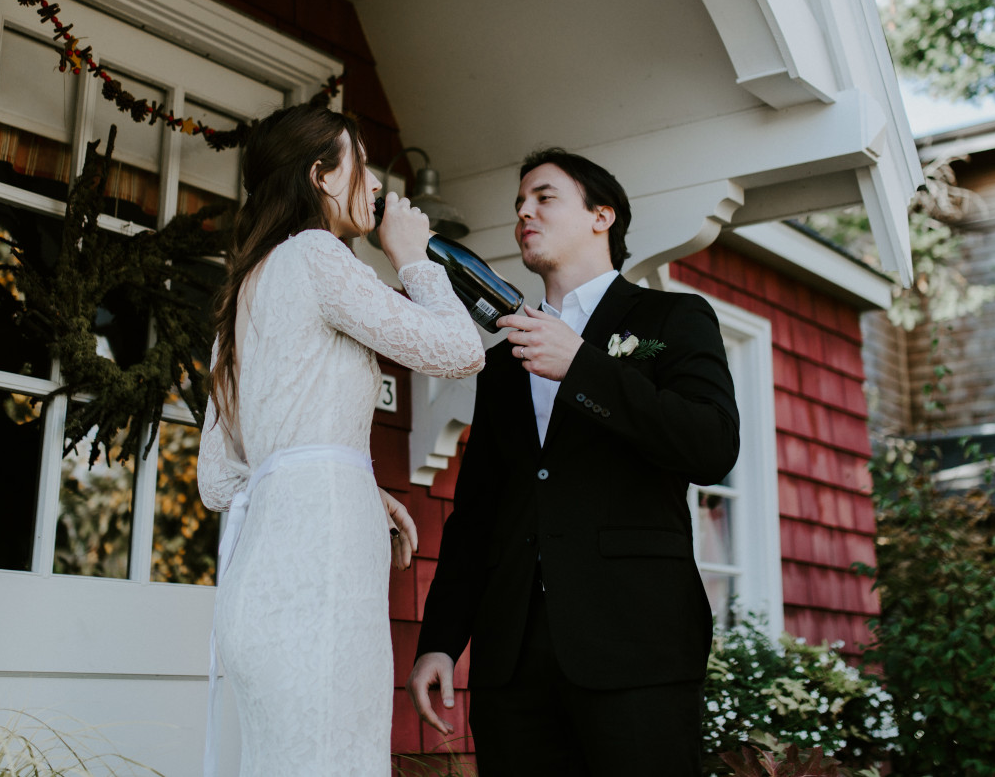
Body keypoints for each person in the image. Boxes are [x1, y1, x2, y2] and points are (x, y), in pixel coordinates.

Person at [407, 148, 739, 775]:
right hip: (513, 663)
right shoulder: (505, 361)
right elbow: (477, 513)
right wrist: (442, 642)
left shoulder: (671, 317)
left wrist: (583, 366)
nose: (524, 212)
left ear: (602, 215)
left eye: (544, 197)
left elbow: (712, 446)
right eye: (518, 204)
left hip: (635, 647)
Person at [197, 103, 484, 777]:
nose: (379, 187)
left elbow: (218, 481)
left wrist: (348, 485)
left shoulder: (240, 296)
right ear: (322, 176)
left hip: (260, 590)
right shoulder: (315, 254)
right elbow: (459, 348)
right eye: (364, 166)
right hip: (320, 592)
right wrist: (413, 259)